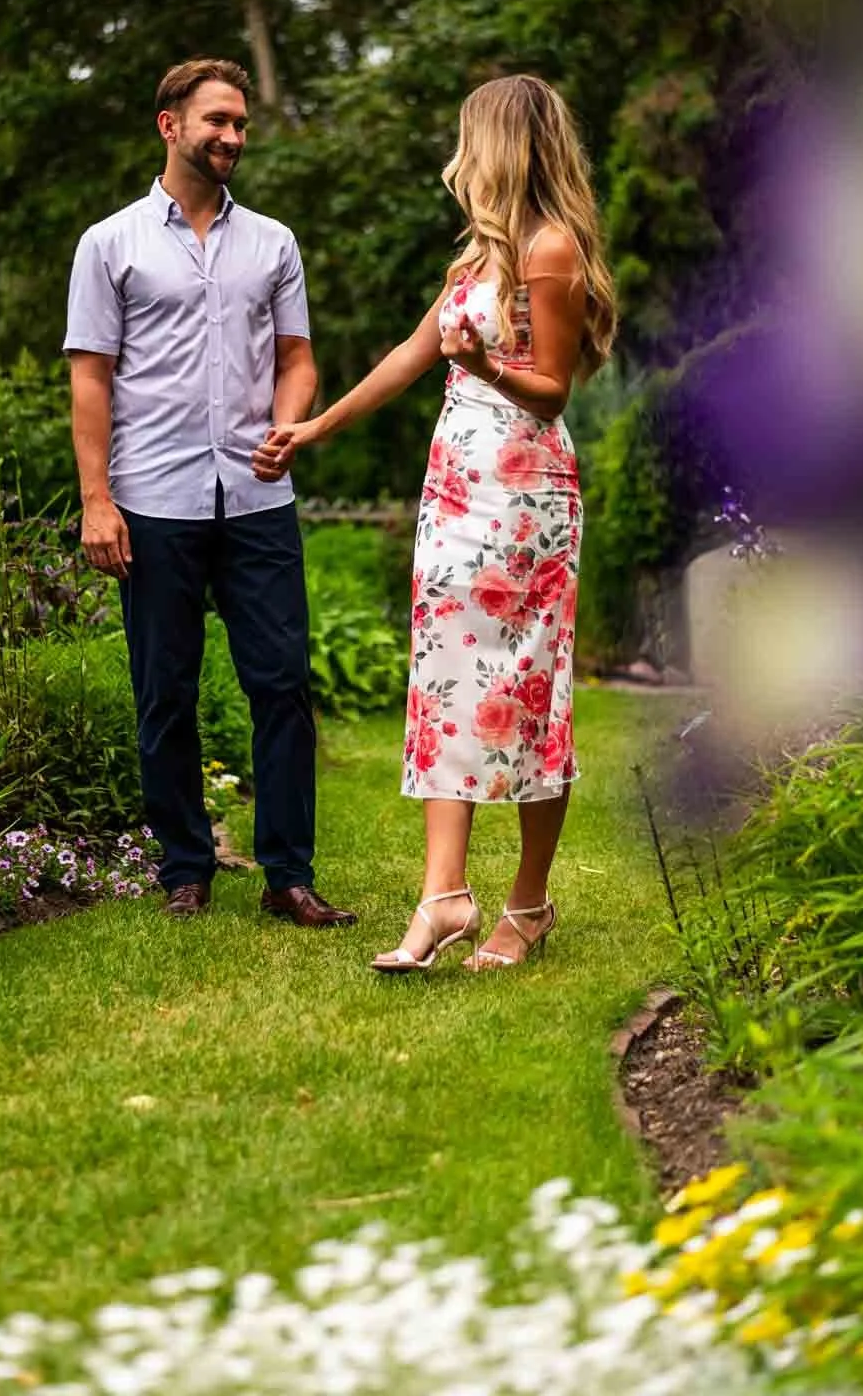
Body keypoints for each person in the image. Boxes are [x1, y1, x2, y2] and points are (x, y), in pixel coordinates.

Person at [255, 75, 615, 971]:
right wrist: (315, 427)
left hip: (526, 494)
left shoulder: (549, 250)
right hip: (455, 491)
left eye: (467, 136)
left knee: (529, 691)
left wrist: (488, 366)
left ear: (497, 143)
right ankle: (442, 897)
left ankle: (527, 906)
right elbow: (411, 357)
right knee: (445, 682)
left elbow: (551, 390)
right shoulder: (473, 261)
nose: (457, 156)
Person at [63, 57, 355, 929]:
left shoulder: (273, 242)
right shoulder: (109, 243)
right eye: (216, 121)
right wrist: (96, 500)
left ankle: (287, 876)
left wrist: (289, 424)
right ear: (169, 124)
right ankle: (184, 868)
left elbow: (296, 359)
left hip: (259, 503)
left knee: (281, 685)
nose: (231, 136)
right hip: (152, 500)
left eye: (240, 124)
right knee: (165, 691)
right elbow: (90, 377)